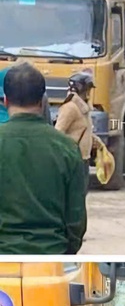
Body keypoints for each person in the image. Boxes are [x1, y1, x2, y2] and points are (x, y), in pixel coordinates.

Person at [0, 63, 86, 254]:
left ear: (5, 101)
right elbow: (76, 220)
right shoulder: (67, 148)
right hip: (51, 250)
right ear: (42, 101)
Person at [55, 72, 103, 195]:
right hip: (73, 161)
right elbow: (57, 133)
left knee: (81, 196)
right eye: (88, 89)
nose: (89, 93)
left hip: (83, 160)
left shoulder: (84, 108)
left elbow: (80, 129)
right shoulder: (70, 108)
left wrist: (93, 140)